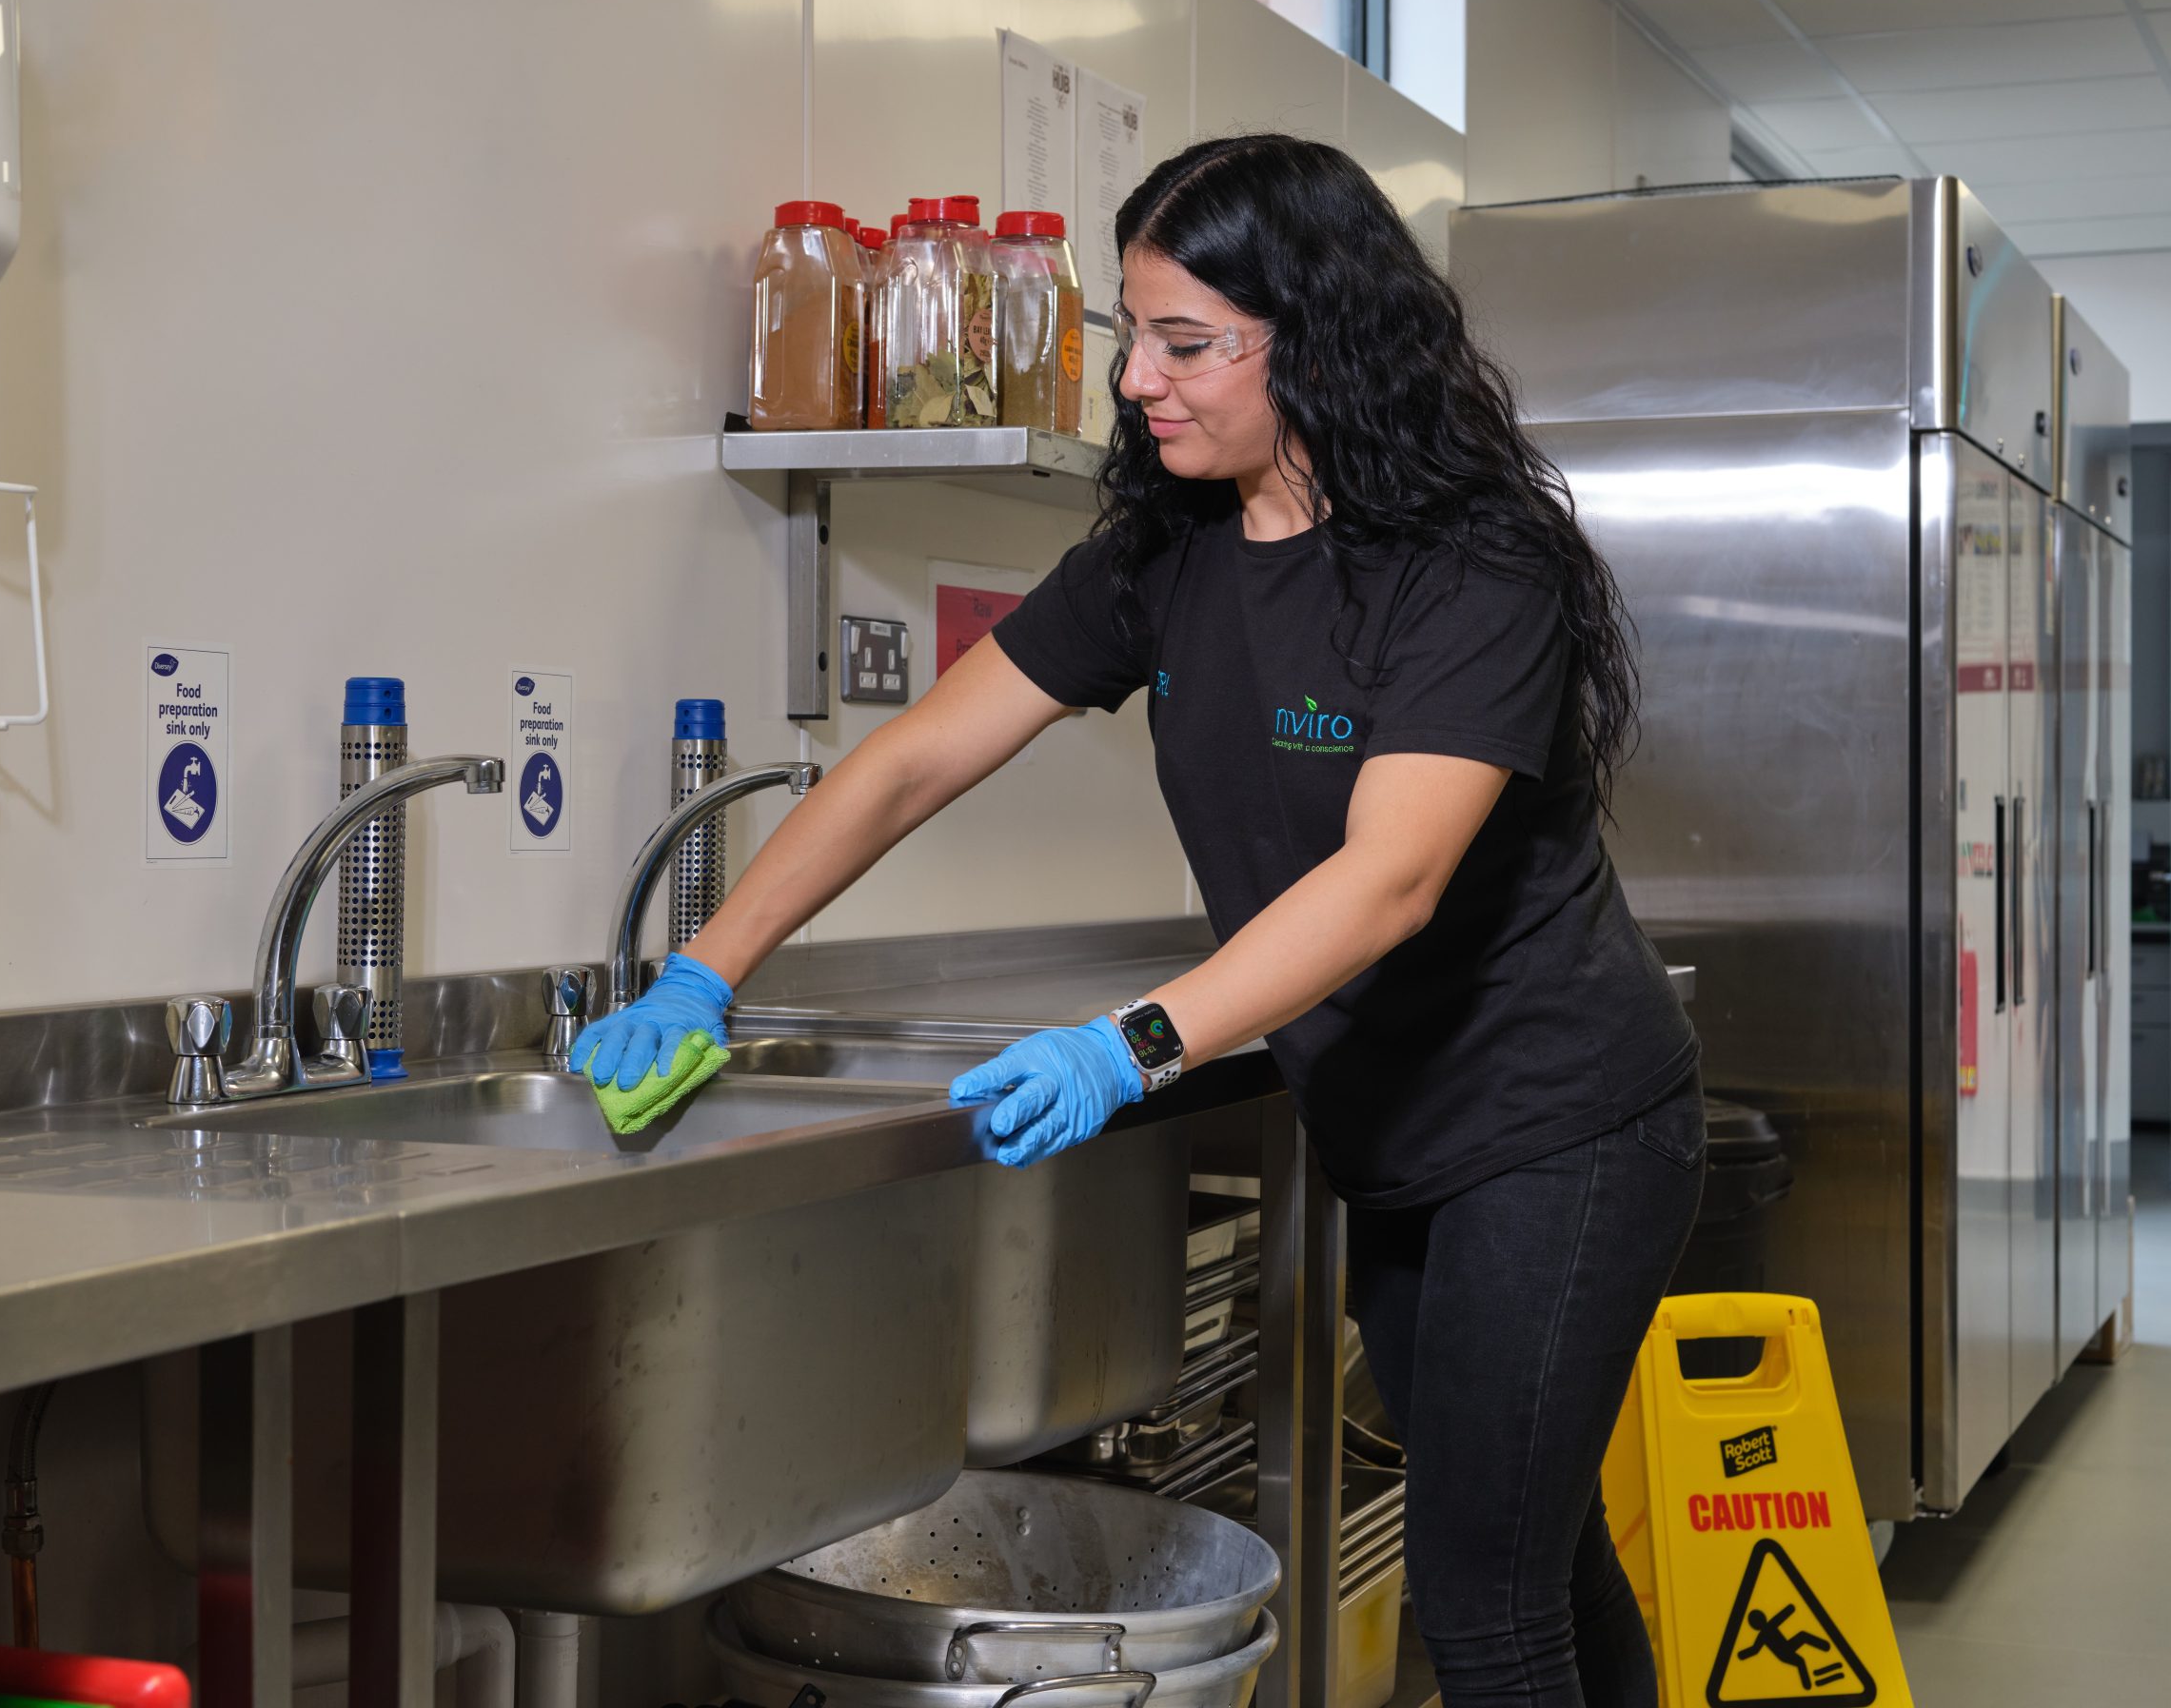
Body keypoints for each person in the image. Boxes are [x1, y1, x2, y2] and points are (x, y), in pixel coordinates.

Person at [574, 133, 1701, 1708]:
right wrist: (705, 967)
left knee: (1484, 1593)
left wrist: (1134, 1044)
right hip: (1402, 1133)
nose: (1138, 382)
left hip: (1560, 1125)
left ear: (1317, 341)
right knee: (1538, 1553)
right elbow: (911, 763)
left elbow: (1392, 879)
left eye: (1186, 345)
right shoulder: (1165, 552)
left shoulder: (1468, 564)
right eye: (1132, 337)